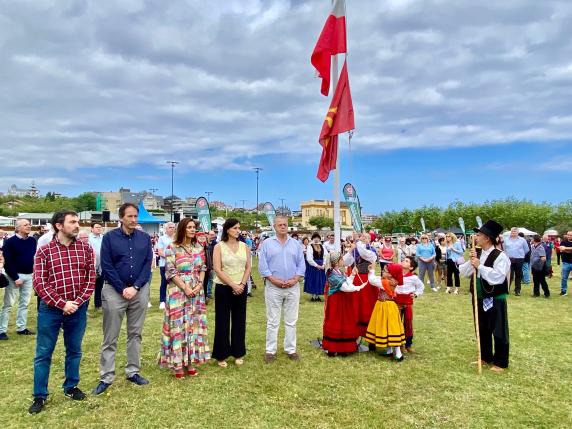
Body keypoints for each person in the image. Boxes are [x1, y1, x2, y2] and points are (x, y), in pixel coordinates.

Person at [28, 211, 96, 414]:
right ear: (59, 225)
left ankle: (71, 386)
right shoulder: (44, 251)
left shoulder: (85, 248)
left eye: (77, 221)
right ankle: (40, 395)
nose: (78, 225)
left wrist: (76, 302)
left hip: (77, 308)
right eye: (72, 222)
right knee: (43, 353)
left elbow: (90, 277)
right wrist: (61, 303)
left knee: (74, 350)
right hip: (50, 310)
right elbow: (39, 282)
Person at [92, 203, 153, 395]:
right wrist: (122, 288)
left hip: (139, 291)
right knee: (110, 336)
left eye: (136, 216)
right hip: (114, 291)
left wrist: (135, 287)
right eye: (130, 216)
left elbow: (147, 263)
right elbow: (107, 265)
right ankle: (106, 376)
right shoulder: (110, 238)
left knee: (135, 334)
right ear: (121, 218)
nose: (134, 220)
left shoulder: (144, 238)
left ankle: (132, 371)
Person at [159, 218, 210, 378]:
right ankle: (177, 364)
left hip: (196, 291)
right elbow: (171, 271)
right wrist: (186, 287)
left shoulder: (198, 247)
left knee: (193, 325)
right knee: (178, 327)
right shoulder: (172, 248)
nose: (193, 230)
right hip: (178, 291)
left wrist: (200, 284)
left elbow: (203, 267)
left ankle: (189, 361)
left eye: (194, 227)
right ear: (182, 229)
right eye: (189, 227)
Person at [459, 220, 510, 372]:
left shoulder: (500, 256)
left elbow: (498, 277)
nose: (476, 237)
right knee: (481, 328)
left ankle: (500, 362)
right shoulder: (478, 253)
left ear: (487, 238)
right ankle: (485, 357)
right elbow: (464, 272)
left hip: (495, 298)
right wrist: (472, 261)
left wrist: (480, 266)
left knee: (498, 330)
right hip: (479, 297)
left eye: (479, 234)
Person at [258, 216, 306, 363]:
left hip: (293, 286)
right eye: (280, 225)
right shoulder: (266, 244)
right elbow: (263, 266)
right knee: (273, 320)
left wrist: (295, 279)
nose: (283, 227)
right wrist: (274, 280)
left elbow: (301, 264)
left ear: (288, 226)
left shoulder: (296, 244)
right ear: (275, 226)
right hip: (273, 286)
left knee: (291, 320)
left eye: (285, 224)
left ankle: (291, 349)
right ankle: (270, 351)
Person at [212, 218, 250, 367]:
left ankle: (238, 352)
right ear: (227, 229)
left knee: (239, 320)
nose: (237, 230)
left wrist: (241, 284)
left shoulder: (244, 246)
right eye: (235, 228)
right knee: (222, 321)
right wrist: (233, 284)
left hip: (241, 287)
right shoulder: (218, 247)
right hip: (223, 287)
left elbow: (248, 267)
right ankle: (221, 354)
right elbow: (217, 268)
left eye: (238, 228)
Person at [322, 251, 366, 357]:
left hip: (342, 301)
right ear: (336, 262)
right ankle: (333, 348)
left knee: (344, 322)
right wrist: (359, 287)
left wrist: (352, 275)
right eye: (341, 259)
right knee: (336, 322)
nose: (343, 261)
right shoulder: (332, 274)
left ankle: (342, 348)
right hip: (336, 302)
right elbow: (345, 288)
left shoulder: (340, 272)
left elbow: (347, 283)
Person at [0, 218, 37, 340]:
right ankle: (2, 330)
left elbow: (34, 258)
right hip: (14, 276)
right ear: (18, 228)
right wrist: (15, 277)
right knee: (8, 304)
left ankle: (21, 328)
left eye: (29, 224)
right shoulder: (10, 242)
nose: (29, 226)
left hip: (29, 275)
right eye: (26, 225)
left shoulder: (32, 241)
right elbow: (8, 262)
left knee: (24, 303)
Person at [366, 263, 406, 361]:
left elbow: (372, 280)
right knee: (389, 326)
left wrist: (371, 270)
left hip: (385, 306)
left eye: (385, 270)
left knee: (390, 327)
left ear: (391, 274)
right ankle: (390, 350)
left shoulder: (385, 282)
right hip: (388, 305)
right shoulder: (392, 280)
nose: (383, 271)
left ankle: (398, 353)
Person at [342, 233, 378, 339]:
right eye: (363, 236)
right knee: (355, 304)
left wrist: (357, 243)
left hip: (367, 279)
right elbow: (345, 262)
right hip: (356, 279)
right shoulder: (356, 249)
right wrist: (350, 250)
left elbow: (364, 254)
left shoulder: (372, 250)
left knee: (367, 304)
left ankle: (369, 332)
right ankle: (354, 331)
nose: (364, 238)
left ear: (370, 240)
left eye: (367, 237)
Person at [395, 256, 424, 352]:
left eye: (407, 261)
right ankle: (398, 345)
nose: (403, 261)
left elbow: (421, 287)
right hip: (397, 302)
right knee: (397, 322)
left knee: (408, 323)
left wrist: (416, 294)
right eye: (404, 260)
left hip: (408, 303)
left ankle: (408, 344)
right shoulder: (396, 274)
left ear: (411, 267)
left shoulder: (413, 278)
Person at [504, 227, 529, 296]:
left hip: (519, 259)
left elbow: (526, 249)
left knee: (518, 275)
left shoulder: (522, 240)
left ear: (517, 232)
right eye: (512, 231)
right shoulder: (506, 240)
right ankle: (506, 289)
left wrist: (520, 254)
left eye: (515, 231)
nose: (513, 233)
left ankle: (517, 290)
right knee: (509, 275)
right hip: (509, 259)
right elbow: (504, 249)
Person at [156, 222, 175, 310]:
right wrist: (170, 256)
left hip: (175, 264)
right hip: (164, 264)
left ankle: (173, 300)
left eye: (173, 227)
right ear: (166, 229)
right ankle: (162, 301)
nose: (172, 229)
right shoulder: (162, 238)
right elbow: (159, 252)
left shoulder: (177, 238)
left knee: (174, 283)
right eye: (170, 227)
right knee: (164, 282)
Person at [305, 233, 329, 302]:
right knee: (313, 280)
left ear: (319, 238)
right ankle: (313, 296)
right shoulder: (310, 246)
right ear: (313, 238)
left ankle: (317, 296)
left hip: (321, 266)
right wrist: (316, 265)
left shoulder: (322, 246)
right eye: (315, 237)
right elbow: (309, 258)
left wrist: (324, 264)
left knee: (320, 281)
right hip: (313, 266)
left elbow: (326, 256)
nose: (316, 239)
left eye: (317, 237)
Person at [89, 222, 104, 312]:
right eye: (97, 227)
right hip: (92, 266)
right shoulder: (89, 238)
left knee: (100, 287)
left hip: (102, 267)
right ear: (92, 229)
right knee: (89, 287)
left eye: (100, 227)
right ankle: (84, 306)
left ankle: (98, 305)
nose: (99, 228)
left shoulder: (103, 238)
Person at [558, 231, 572, 296]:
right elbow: (561, 248)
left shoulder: (565, 244)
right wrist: (569, 250)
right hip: (566, 262)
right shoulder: (563, 242)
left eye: (571, 235)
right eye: (568, 235)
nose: (569, 236)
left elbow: (564, 249)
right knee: (564, 278)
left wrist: (565, 248)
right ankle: (563, 291)